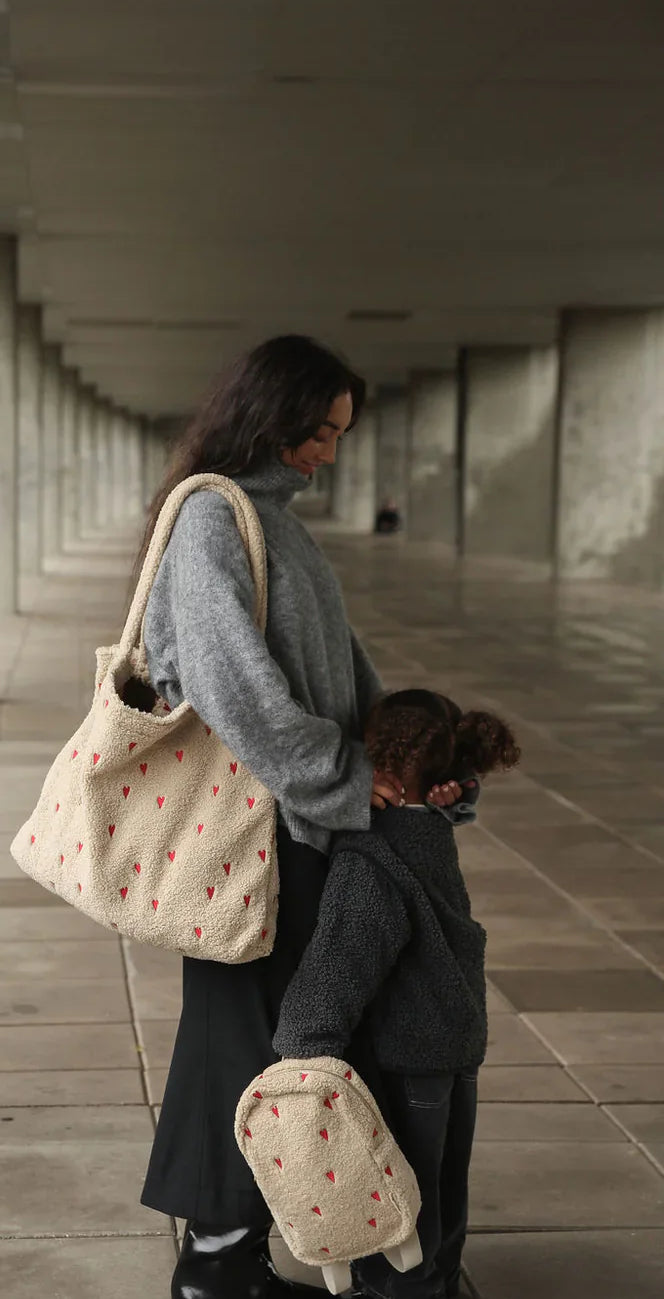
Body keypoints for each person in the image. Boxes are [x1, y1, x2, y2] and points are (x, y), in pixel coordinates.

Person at [137, 335, 465, 1299]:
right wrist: (343, 776)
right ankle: (216, 1261)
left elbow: (345, 674)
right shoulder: (211, 516)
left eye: (338, 434)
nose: (326, 451)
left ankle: (229, 1255)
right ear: (266, 415)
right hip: (252, 836)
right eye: (317, 430)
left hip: (293, 826)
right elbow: (231, 686)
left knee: (259, 1037)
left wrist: (410, 761)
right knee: (242, 1042)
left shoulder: (277, 525)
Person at [273, 689, 521, 1299]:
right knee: (442, 1189)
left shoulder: (371, 856)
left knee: (399, 1204)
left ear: (375, 760)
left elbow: (341, 960)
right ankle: (440, 1286)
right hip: (455, 1045)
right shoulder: (432, 830)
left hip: (405, 1058)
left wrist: (300, 1048)